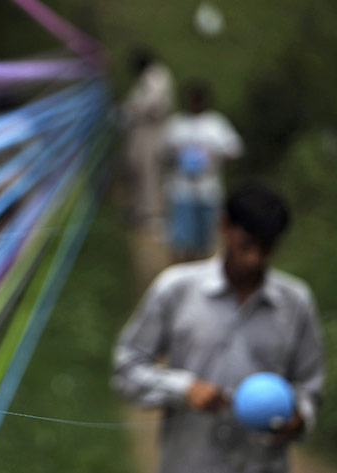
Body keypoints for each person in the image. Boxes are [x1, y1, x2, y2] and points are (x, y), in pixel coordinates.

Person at [112, 183, 324, 473]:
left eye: (267, 247)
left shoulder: (295, 301)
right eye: (247, 245)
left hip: (263, 465)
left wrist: (298, 417)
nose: (255, 258)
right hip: (190, 463)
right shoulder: (176, 288)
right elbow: (127, 367)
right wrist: (184, 389)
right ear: (224, 226)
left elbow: (310, 386)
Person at [163, 81, 243, 261]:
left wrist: (213, 156)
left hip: (208, 188)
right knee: (181, 240)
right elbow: (164, 152)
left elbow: (235, 151)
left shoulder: (216, 124)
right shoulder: (177, 124)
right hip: (181, 188)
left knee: (207, 238)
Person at [120, 47, 175, 230]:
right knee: (138, 168)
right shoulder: (149, 77)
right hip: (141, 130)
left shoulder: (156, 76)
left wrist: (131, 110)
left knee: (149, 170)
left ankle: (153, 214)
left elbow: (151, 104)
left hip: (151, 130)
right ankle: (141, 208)